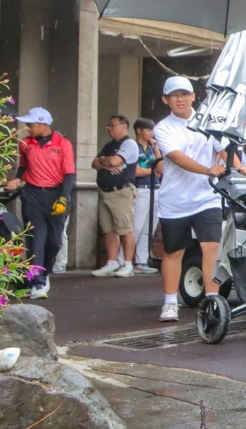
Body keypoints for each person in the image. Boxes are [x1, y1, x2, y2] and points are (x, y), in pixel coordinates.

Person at [153, 75, 226, 323]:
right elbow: (176, 157)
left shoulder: (209, 120)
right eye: (175, 95)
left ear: (194, 96)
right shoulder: (162, 128)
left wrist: (240, 167)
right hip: (175, 201)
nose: (180, 99)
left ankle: (212, 300)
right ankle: (170, 303)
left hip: (207, 198)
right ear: (166, 99)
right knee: (174, 252)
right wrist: (208, 170)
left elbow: (223, 148)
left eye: (185, 94)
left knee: (212, 248)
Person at [5, 107, 75, 299]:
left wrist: (64, 197)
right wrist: (18, 179)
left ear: (43, 123)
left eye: (31, 124)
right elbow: (24, 165)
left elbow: (69, 174)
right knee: (36, 237)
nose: (27, 128)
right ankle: (37, 281)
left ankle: (43, 273)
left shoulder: (63, 144)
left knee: (54, 241)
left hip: (56, 194)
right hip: (32, 194)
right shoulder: (25, 144)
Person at [90, 114, 140, 277]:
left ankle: (127, 263)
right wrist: (106, 161)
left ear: (124, 126)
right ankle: (112, 262)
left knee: (124, 228)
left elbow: (114, 162)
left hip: (121, 191)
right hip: (105, 191)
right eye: (109, 126)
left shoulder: (129, 143)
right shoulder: (109, 145)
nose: (109, 129)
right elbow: (94, 163)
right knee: (109, 229)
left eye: (113, 125)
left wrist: (105, 162)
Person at [130, 118, 161, 274]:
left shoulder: (150, 148)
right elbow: (137, 171)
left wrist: (155, 148)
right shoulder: (133, 147)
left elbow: (160, 168)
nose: (151, 133)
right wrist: (153, 171)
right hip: (141, 188)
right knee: (136, 225)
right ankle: (126, 261)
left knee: (149, 227)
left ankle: (141, 261)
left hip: (155, 188)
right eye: (148, 130)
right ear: (139, 130)